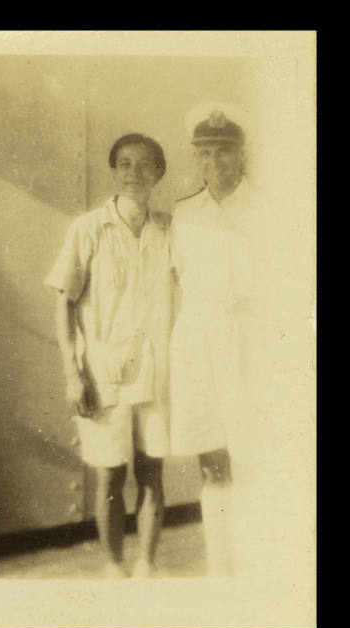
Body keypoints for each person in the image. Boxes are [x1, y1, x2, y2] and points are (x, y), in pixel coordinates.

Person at [45, 134, 172, 578]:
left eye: (145, 164)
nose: (135, 173)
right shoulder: (87, 228)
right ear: (114, 172)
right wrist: (72, 373)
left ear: (159, 172)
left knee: (153, 472)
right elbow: (64, 303)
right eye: (125, 164)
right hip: (103, 373)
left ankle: (147, 567)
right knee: (111, 477)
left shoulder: (169, 230)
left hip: (156, 371)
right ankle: (115, 569)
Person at [170, 107, 262, 576]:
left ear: (241, 155)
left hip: (253, 343)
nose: (213, 163)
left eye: (223, 152)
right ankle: (222, 571)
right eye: (204, 154)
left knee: (254, 459)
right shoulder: (185, 213)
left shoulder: (270, 209)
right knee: (212, 460)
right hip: (198, 345)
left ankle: (258, 567)